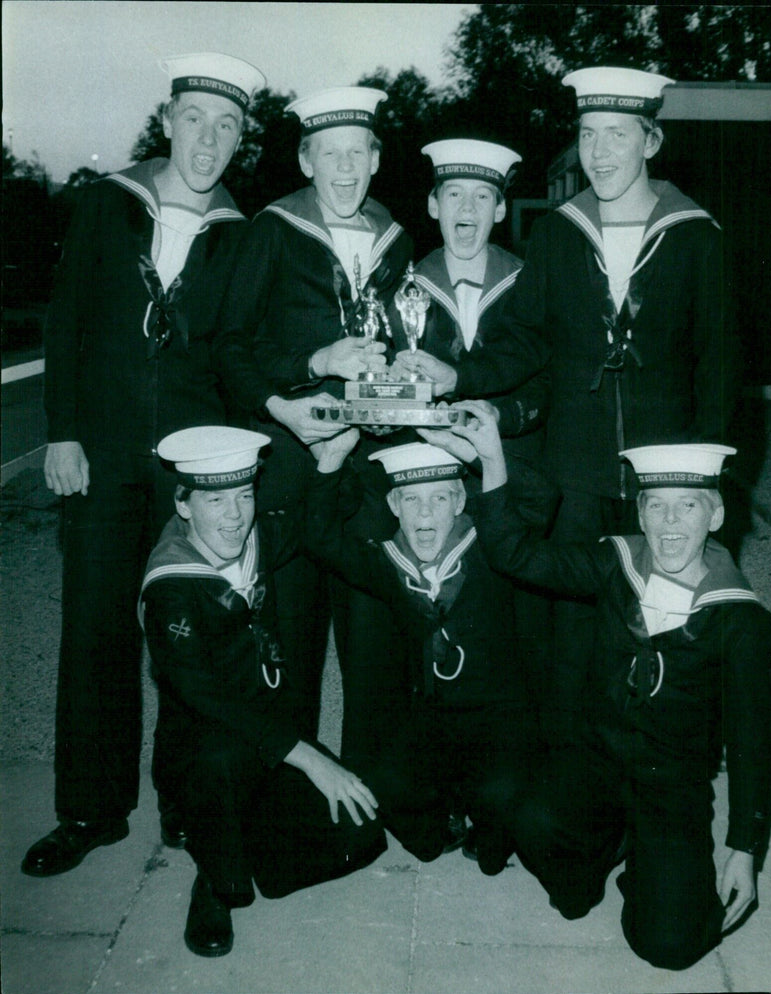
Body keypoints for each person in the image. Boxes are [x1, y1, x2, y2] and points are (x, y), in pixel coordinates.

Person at [408, 67, 741, 747]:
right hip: (575, 477)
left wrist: (698, 482)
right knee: (572, 647)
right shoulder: (558, 234)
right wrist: (457, 371)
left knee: (664, 626)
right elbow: (526, 340)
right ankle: (575, 781)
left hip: (662, 477)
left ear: (651, 140)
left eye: (617, 135)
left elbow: (720, 366)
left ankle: (669, 767)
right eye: (588, 135)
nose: (600, 152)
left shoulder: (696, 234)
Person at [23, 53, 267, 878]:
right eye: (195, 118)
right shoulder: (107, 203)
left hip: (192, 468)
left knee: (185, 635)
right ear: (169, 120)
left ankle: (189, 804)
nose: (208, 139)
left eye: (227, 125)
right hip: (103, 452)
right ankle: (91, 809)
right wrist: (62, 431)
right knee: (94, 631)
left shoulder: (242, 231)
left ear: (240, 140)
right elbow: (69, 319)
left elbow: (240, 354)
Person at [434, 404, 771, 970]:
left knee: (670, 946)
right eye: (656, 507)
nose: (670, 526)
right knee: (545, 846)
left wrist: (745, 848)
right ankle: (609, 845)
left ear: (714, 516)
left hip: (670, 784)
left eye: (687, 507)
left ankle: (645, 858)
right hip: (596, 758)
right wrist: (492, 459)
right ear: (639, 514)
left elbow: (754, 744)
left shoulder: (738, 619)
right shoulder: (614, 562)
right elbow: (515, 554)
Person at [214, 86, 413, 756]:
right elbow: (231, 345)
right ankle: (288, 807)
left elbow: (401, 350)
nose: (345, 168)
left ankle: (376, 793)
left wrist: (392, 407)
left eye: (357, 152)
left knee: (374, 644)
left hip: (364, 472)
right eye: (330, 154)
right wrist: (303, 374)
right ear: (306, 162)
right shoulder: (271, 229)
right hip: (291, 467)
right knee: (289, 644)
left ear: (376, 159)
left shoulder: (395, 239)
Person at [138, 426, 385, 957]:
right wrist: (313, 761)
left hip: (268, 738)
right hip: (206, 748)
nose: (234, 515)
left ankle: (239, 833)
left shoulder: (256, 539)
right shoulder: (171, 583)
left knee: (362, 833)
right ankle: (214, 880)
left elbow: (316, 526)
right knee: (222, 758)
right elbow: (205, 697)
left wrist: (329, 461)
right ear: (183, 504)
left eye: (244, 495)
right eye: (215, 499)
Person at [304, 434, 557, 874]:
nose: (424, 512)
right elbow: (320, 539)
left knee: (503, 803)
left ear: (461, 502)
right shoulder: (388, 562)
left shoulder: (493, 546)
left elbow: (542, 499)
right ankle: (447, 820)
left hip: (498, 716)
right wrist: (330, 461)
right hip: (433, 716)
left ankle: (489, 825)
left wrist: (476, 451)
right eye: (411, 499)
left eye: (439, 498)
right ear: (393, 506)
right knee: (389, 789)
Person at [393, 138, 552, 715]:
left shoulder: (529, 280)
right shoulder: (403, 284)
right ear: (433, 205)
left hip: (509, 472)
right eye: (453, 194)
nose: (467, 210)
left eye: (483, 196)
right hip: (430, 474)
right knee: (436, 618)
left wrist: (499, 419)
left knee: (510, 624)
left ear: (502, 210)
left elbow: (544, 381)